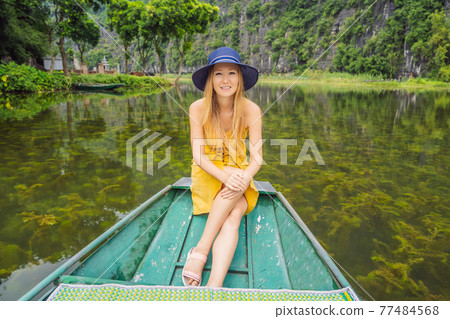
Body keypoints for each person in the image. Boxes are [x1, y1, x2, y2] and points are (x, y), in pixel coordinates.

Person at [182, 47, 263, 287]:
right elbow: (199, 155)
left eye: (231, 73)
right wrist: (229, 178)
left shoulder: (251, 110)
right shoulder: (198, 107)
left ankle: (212, 283)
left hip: (239, 173)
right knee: (235, 184)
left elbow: (257, 157)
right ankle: (203, 253)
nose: (225, 80)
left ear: (240, 78)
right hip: (209, 170)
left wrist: (245, 176)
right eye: (218, 74)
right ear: (210, 79)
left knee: (235, 213)